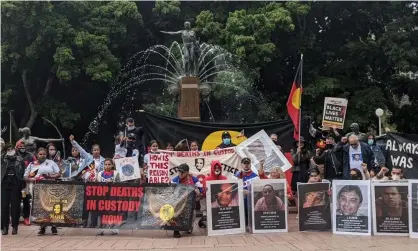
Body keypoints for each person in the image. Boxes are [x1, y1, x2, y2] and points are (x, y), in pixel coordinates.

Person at [24, 147, 61, 236]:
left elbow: (59, 173)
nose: (42, 156)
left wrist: (50, 176)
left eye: (44, 154)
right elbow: (25, 177)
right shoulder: (32, 164)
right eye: (40, 154)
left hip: (50, 189)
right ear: (37, 155)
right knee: (41, 208)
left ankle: (54, 226)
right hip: (37, 189)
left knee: (52, 206)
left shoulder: (51, 163)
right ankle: (42, 227)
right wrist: (32, 179)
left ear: (46, 155)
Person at [171, 163, 202, 238]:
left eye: (183, 172)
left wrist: (199, 192)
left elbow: (201, 190)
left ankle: (188, 227)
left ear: (187, 172)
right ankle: (176, 230)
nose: (180, 173)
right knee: (175, 213)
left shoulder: (194, 179)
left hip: (190, 203)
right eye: (179, 171)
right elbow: (170, 192)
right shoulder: (174, 180)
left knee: (193, 214)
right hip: (178, 203)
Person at [1, 144, 25, 235]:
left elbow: (23, 171)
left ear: (14, 149)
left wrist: (22, 184)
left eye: (11, 149)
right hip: (4, 184)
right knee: (4, 206)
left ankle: (15, 226)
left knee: (15, 206)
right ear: (6, 150)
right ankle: (4, 227)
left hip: (16, 184)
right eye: (8, 149)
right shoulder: (2, 158)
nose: (10, 150)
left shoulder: (20, 159)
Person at [199, 160, 227, 228]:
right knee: (202, 198)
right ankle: (204, 216)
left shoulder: (225, 178)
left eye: (218, 167)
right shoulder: (207, 179)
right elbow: (204, 191)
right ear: (212, 168)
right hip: (211, 200)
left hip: (221, 199)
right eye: (215, 167)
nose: (217, 169)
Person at [96, 159, 120, 235]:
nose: (107, 166)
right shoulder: (100, 174)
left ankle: (114, 228)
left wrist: (113, 182)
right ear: (104, 166)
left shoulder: (116, 173)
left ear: (112, 165)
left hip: (113, 195)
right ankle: (101, 228)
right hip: (103, 195)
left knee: (113, 212)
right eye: (106, 164)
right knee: (102, 212)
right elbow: (97, 184)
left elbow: (120, 184)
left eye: (109, 164)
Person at [15, 140, 35, 226]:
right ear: (17, 147)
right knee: (15, 200)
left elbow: (35, 167)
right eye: (20, 147)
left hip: (26, 182)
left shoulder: (30, 156)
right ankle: (14, 217)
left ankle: (26, 217)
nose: (22, 148)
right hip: (15, 182)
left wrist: (30, 176)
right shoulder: (13, 156)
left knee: (26, 199)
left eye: (23, 147)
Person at [235, 157, 259, 226]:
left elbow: (257, 190)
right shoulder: (236, 176)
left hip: (250, 200)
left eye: (247, 163)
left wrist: (249, 192)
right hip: (239, 201)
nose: (246, 165)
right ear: (241, 165)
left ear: (250, 165)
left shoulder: (255, 176)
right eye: (244, 163)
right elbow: (232, 188)